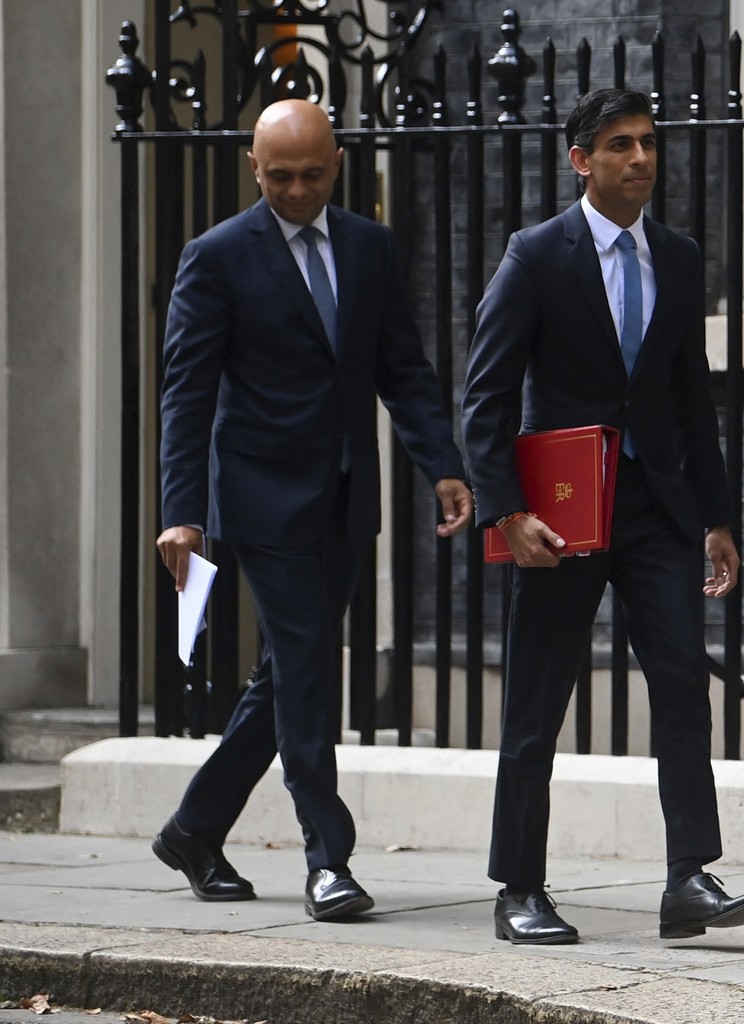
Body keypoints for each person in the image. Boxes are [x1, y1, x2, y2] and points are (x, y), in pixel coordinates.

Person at [153, 99, 472, 922]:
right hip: (260, 499)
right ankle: (328, 859)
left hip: (343, 496)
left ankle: (193, 828)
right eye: (280, 175)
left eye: (312, 173)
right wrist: (182, 511)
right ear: (254, 170)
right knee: (308, 671)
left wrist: (441, 464)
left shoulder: (369, 246)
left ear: (337, 164)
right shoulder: (216, 256)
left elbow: (403, 367)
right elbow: (186, 394)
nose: (297, 190)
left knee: (288, 675)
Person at [461, 87, 744, 945]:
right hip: (562, 519)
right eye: (621, 145)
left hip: (655, 512)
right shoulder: (535, 257)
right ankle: (519, 886)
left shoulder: (675, 255)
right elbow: (485, 399)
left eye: (648, 143)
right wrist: (508, 512)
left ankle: (687, 880)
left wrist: (715, 516)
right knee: (538, 701)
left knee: (680, 684)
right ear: (581, 161)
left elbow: (690, 396)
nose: (640, 159)